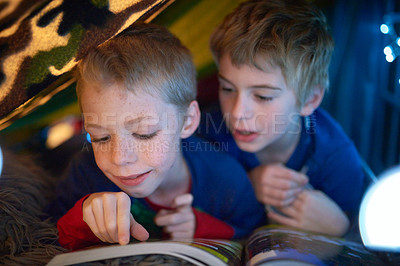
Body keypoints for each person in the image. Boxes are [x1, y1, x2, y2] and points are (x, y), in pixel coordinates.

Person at [48, 22, 266, 251]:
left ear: (188, 120)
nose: (120, 158)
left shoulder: (226, 180)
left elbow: (257, 236)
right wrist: (82, 222)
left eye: (145, 133)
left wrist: (204, 230)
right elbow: (42, 239)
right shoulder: (84, 175)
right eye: (101, 138)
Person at [197, 0, 366, 237]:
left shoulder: (337, 161)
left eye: (263, 96)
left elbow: (365, 245)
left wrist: (338, 229)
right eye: (227, 89)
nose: (236, 112)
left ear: (309, 100)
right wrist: (244, 184)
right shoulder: (207, 133)